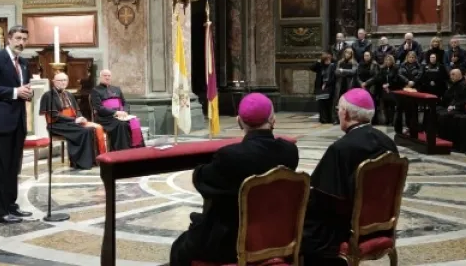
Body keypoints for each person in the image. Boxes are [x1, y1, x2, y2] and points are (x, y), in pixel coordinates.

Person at [170, 93, 299, 266]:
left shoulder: (230, 156)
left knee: (179, 248)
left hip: (231, 244)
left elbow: (202, 181)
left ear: (239, 122)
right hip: (278, 236)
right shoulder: (290, 152)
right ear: (273, 120)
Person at [302, 89, 398, 266]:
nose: (338, 113)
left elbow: (325, 197)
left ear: (345, 113)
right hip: (382, 225)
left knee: (303, 227)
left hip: (346, 228)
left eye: (339, 109)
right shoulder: (388, 142)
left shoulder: (341, 149)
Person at [0, 25, 33, 224]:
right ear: (9, 39)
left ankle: (11, 206)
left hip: (18, 121)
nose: (21, 43)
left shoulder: (24, 62)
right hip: (0, 122)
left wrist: (27, 93)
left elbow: (23, 88)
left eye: (24, 39)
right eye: (18, 38)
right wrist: (14, 92)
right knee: (0, 168)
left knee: (13, 167)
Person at [40, 73, 107, 169]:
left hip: (71, 122)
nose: (63, 82)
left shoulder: (69, 94)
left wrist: (80, 118)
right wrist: (74, 120)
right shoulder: (48, 95)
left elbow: (77, 110)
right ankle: (79, 163)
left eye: (65, 80)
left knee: (91, 129)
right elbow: (55, 115)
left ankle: (93, 161)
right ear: (54, 82)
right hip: (56, 124)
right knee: (84, 131)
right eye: (60, 80)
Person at [90, 70, 140, 151]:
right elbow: (99, 108)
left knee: (134, 121)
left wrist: (125, 111)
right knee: (122, 124)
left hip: (121, 116)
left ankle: (136, 149)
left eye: (109, 76)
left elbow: (125, 103)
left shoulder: (117, 89)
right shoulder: (95, 90)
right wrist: (116, 112)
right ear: (100, 77)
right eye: (105, 75)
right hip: (106, 118)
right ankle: (122, 151)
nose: (107, 77)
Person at [312, 52, 335, 124]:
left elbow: (333, 77)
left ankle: (329, 118)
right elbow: (312, 68)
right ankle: (323, 119)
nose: (328, 61)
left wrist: (326, 84)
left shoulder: (332, 66)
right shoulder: (320, 66)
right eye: (326, 60)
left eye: (329, 59)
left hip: (329, 86)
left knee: (329, 104)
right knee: (321, 103)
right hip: (320, 87)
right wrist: (318, 61)